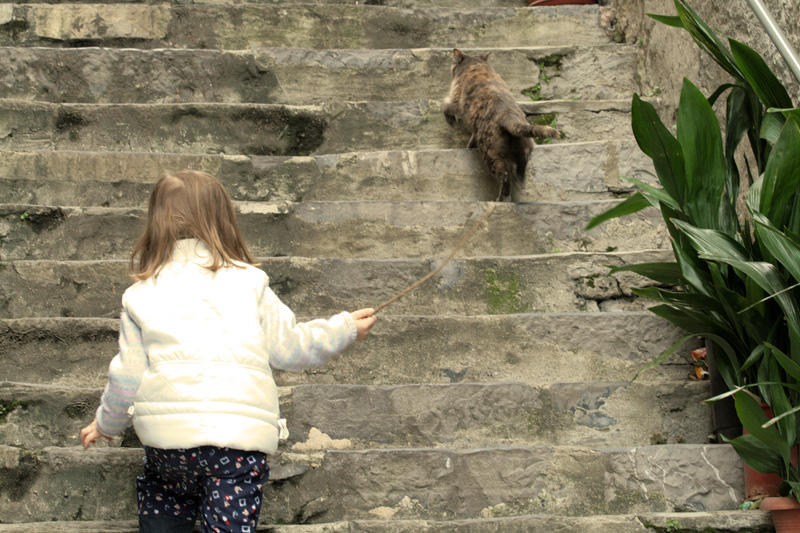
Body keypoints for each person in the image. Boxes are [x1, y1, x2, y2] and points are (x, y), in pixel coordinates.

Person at [79, 170, 377, 533]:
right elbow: (291, 348)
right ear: (224, 220)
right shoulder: (250, 281)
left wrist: (105, 424)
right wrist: (344, 328)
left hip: (169, 445)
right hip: (237, 446)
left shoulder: (142, 293)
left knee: (166, 498)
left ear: (156, 224)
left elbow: (126, 376)